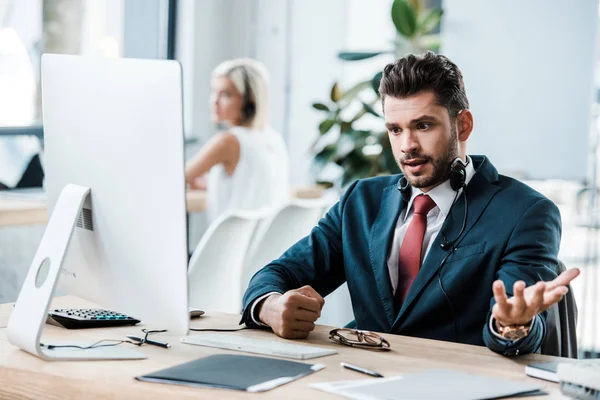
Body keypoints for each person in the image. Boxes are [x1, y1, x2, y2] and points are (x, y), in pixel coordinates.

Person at [241, 52, 580, 356]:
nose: (407, 145)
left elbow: (517, 325)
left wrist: (512, 324)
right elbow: (277, 274)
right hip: (358, 380)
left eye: (423, 125)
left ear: (462, 125)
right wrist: (269, 305)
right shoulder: (362, 200)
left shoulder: (525, 212)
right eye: (395, 129)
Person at [185, 59, 290, 223]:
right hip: (262, 247)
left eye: (226, 94)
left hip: (227, 247)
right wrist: (211, 185)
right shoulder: (274, 140)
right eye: (214, 91)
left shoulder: (228, 141)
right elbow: (255, 189)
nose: (214, 100)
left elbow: (180, 178)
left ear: (250, 100)